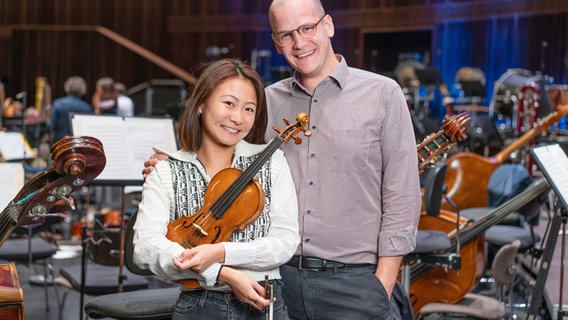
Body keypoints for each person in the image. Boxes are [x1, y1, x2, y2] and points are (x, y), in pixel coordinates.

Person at [144, 0, 421, 318]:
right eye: (286, 35)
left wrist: (381, 286)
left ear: (327, 25)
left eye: (307, 28)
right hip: (276, 280)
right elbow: (226, 176)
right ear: (276, 42)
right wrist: (176, 170)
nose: (299, 43)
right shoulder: (264, 102)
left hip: (355, 282)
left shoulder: (383, 95)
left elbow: (402, 198)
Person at [133, 58, 300, 320]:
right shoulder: (166, 169)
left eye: (248, 109)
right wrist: (223, 272)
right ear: (201, 103)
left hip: (263, 300)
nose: (237, 118)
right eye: (229, 103)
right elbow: (144, 248)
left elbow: (285, 242)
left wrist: (221, 252)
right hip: (198, 304)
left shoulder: (272, 162)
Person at [50, 76, 92, 143]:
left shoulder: (58, 103)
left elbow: (52, 125)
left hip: (60, 143)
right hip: (78, 143)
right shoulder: (86, 107)